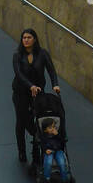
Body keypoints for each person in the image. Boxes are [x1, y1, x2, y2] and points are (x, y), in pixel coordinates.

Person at [12, 27, 60, 164]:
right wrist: (30, 86)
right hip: (20, 92)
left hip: (38, 93)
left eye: (29, 38)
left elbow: (51, 70)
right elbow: (18, 74)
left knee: (39, 117)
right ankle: (22, 150)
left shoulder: (43, 53)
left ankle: (37, 147)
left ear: (34, 39)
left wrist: (55, 84)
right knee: (22, 121)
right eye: (24, 38)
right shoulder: (17, 55)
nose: (26, 40)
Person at [37, 117, 70, 183]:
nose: (53, 129)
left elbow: (62, 141)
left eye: (54, 127)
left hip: (58, 150)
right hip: (49, 151)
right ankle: (47, 180)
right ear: (45, 129)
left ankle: (64, 180)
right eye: (50, 127)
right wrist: (45, 150)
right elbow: (42, 144)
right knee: (48, 163)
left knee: (62, 162)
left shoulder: (57, 134)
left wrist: (57, 135)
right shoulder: (43, 136)